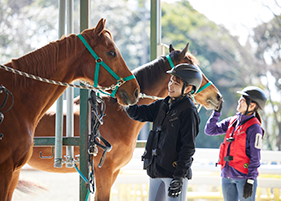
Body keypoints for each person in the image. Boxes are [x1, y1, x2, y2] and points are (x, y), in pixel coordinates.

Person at [124, 63, 202, 201]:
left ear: (188, 88)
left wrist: (179, 177)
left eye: (176, 83)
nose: (170, 85)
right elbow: (139, 113)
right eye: (171, 80)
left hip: (174, 174)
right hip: (155, 170)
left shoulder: (189, 111)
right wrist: (127, 100)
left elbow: (188, 147)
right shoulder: (163, 104)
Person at [204, 86, 267, 201]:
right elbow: (210, 130)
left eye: (243, 100)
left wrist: (251, 180)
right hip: (226, 176)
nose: (239, 101)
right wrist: (216, 113)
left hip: (244, 178)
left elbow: (255, 156)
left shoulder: (254, 128)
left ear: (252, 106)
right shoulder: (232, 121)